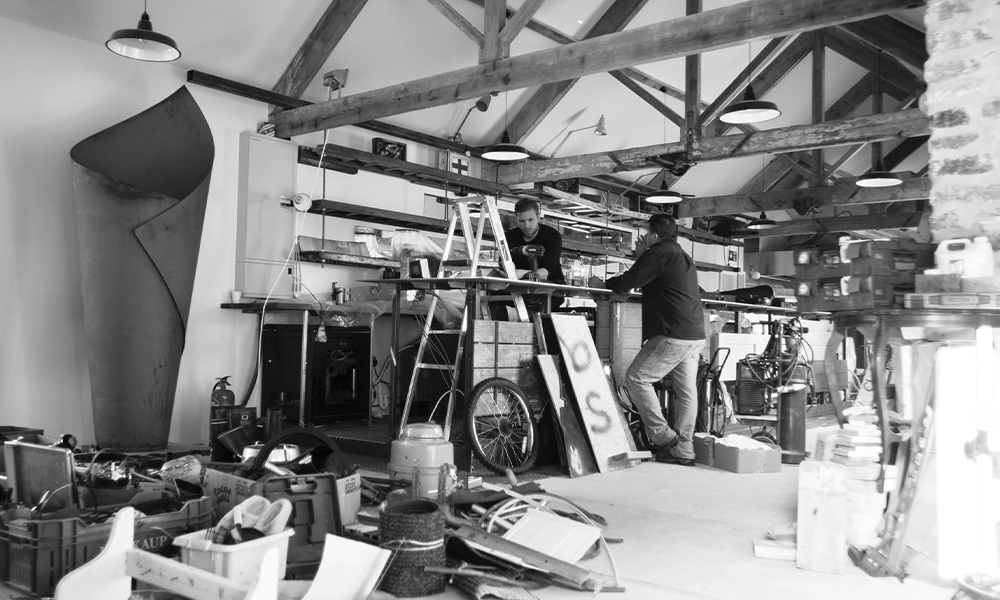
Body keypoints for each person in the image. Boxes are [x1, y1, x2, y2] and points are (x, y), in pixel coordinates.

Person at [589, 214, 705, 465]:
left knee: (636, 378)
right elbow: (647, 275)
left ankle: (662, 437)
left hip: (673, 333)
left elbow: (628, 282)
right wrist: (643, 255)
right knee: (686, 392)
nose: (641, 238)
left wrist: (601, 283)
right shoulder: (680, 254)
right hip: (694, 333)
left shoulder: (659, 253)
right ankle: (683, 451)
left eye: (644, 234)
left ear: (653, 235)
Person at [505, 199, 565, 284]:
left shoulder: (552, 236)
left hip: (551, 287)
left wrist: (521, 274)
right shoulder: (509, 237)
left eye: (530, 220)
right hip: (519, 286)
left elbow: (547, 271)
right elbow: (504, 266)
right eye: (521, 221)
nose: (526, 225)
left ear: (538, 217)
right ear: (517, 219)